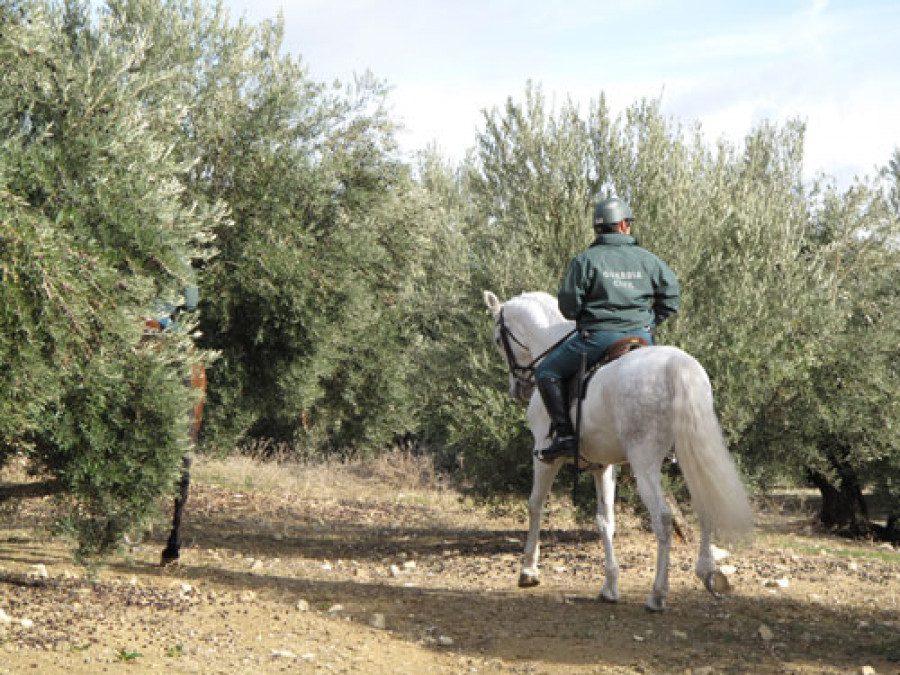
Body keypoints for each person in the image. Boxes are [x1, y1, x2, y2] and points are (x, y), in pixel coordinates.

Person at [533, 197, 680, 462]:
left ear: (599, 228)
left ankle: (565, 437)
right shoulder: (649, 260)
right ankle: (673, 442)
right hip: (642, 337)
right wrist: (649, 324)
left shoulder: (585, 260)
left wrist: (589, 316)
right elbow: (671, 298)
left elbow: (568, 307)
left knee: (546, 371)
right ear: (624, 225)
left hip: (598, 339)